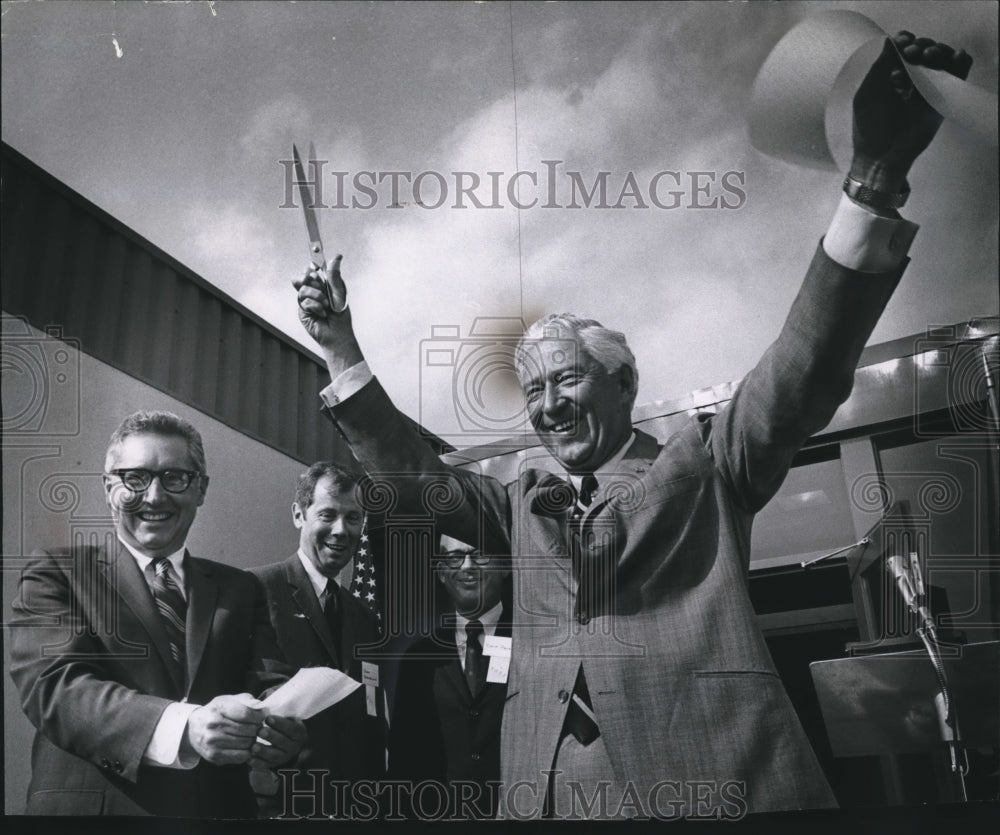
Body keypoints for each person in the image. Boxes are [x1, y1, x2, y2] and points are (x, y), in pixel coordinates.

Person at [293, 34, 973, 818]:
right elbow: (415, 474)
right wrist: (341, 346)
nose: (548, 405)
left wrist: (871, 186)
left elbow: (803, 368)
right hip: (546, 796)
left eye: (567, 379)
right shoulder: (519, 504)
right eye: (534, 390)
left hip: (710, 781)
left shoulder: (710, 462)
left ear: (623, 383)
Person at [8, 410, 306, 817]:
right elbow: (56, 688)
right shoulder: (57, 573)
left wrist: (278, 731)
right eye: (135, 478)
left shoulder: (240, 589)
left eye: (175, 477)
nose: (153, 496)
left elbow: (270, 684)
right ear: (109, 488)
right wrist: (186, 727)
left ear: (200, 489)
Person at [251, 462, 386, 818]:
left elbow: (369, 713)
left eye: (354, 518)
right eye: (327, 515)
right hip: (281, 806)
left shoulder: (365, 619)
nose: (341, 530)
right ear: (299, 514)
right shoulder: (254, 592)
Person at [388, 535, 512, 819]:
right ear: (442, 573)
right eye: (454, 558)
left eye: (480, 554)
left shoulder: (531, 645)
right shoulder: (419, 658)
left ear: (505, 565)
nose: (467, 566)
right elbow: (403, 763)